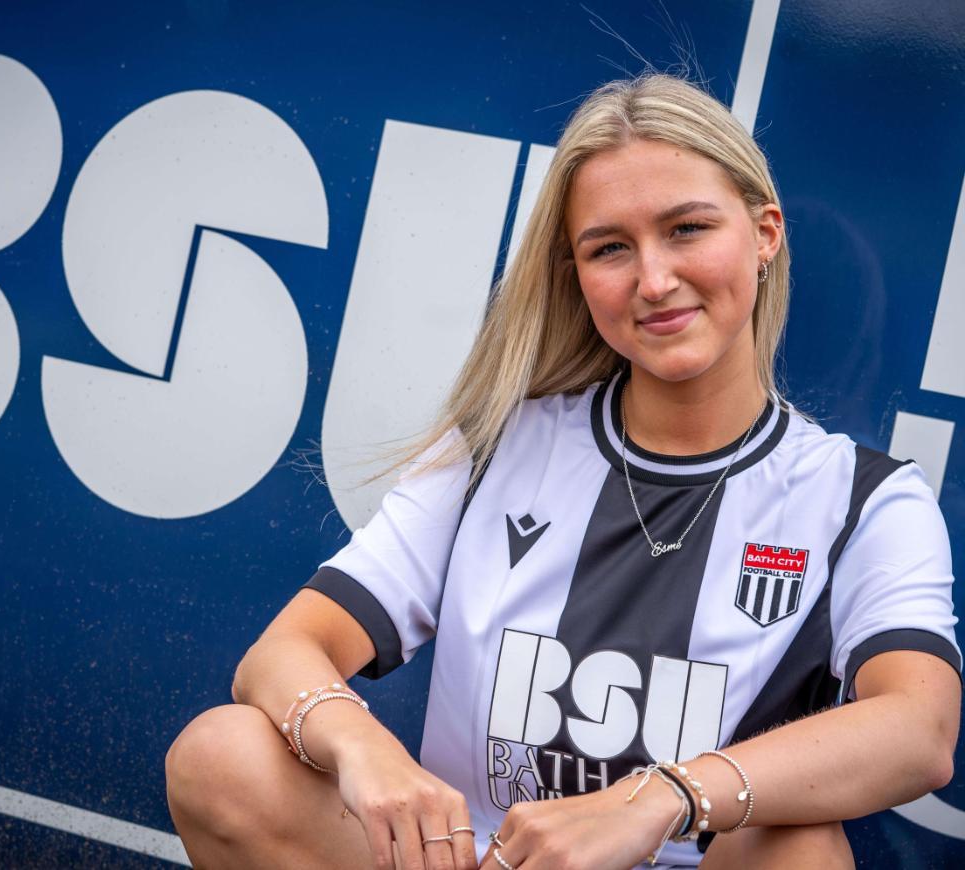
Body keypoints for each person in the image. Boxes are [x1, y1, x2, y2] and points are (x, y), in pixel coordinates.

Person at [165, 72, 962, 870]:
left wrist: (659, 799)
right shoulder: (496, 448)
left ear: (764, 234)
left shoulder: (863, 499)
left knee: (800, 853)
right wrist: (362, 750)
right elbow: (280, 655)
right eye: (610, 247)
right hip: (471, 861)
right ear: (577, 274)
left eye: (687, 228)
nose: (653, 280)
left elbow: (920, 731)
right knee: (224, 755)